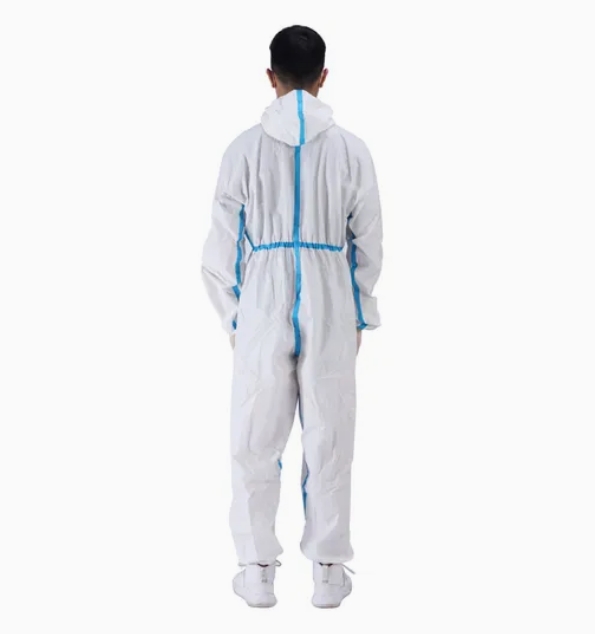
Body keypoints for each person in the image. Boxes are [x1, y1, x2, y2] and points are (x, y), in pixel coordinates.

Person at [201, 25, 383, 609]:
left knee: (255, 435)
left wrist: (238, 319)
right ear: (324, 77)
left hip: (263, 297)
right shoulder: (352, 151)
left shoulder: (242, 150)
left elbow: (220, 252)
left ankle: (257, 572)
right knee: (331, 434)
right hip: (331, 299)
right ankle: (329, 572)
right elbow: (368, 242)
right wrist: (358, 312)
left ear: (270, 77)